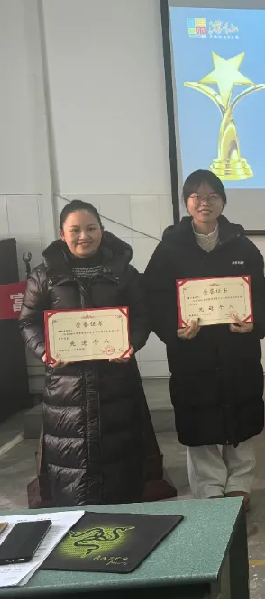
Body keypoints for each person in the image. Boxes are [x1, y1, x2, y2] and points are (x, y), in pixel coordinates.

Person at [144, 170, 265, 510]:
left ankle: (240, 485)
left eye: (212, 196)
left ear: (223, 201)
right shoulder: (169, 248)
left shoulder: (243, 246)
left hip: (237, 350)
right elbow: (153, 297)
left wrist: (255, 322)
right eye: (197, 197)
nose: (205, 203)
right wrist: (173, 328)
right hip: (192, 352)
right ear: (186, 202)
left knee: (240, 416)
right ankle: (210, 490)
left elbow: (262, 294)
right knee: (199, 419)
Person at [19, 200, 151, 506]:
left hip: (116, 383)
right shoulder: (44, 275)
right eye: (75, 230)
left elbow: (143, 317)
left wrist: (132, 343)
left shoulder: (124, 273)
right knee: (70, 466)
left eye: (91, 228)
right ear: (61, 234)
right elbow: (28, 321)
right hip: (66, 388)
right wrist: (45, 351)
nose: (84, 236)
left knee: (121, 463)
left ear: (101, 231)